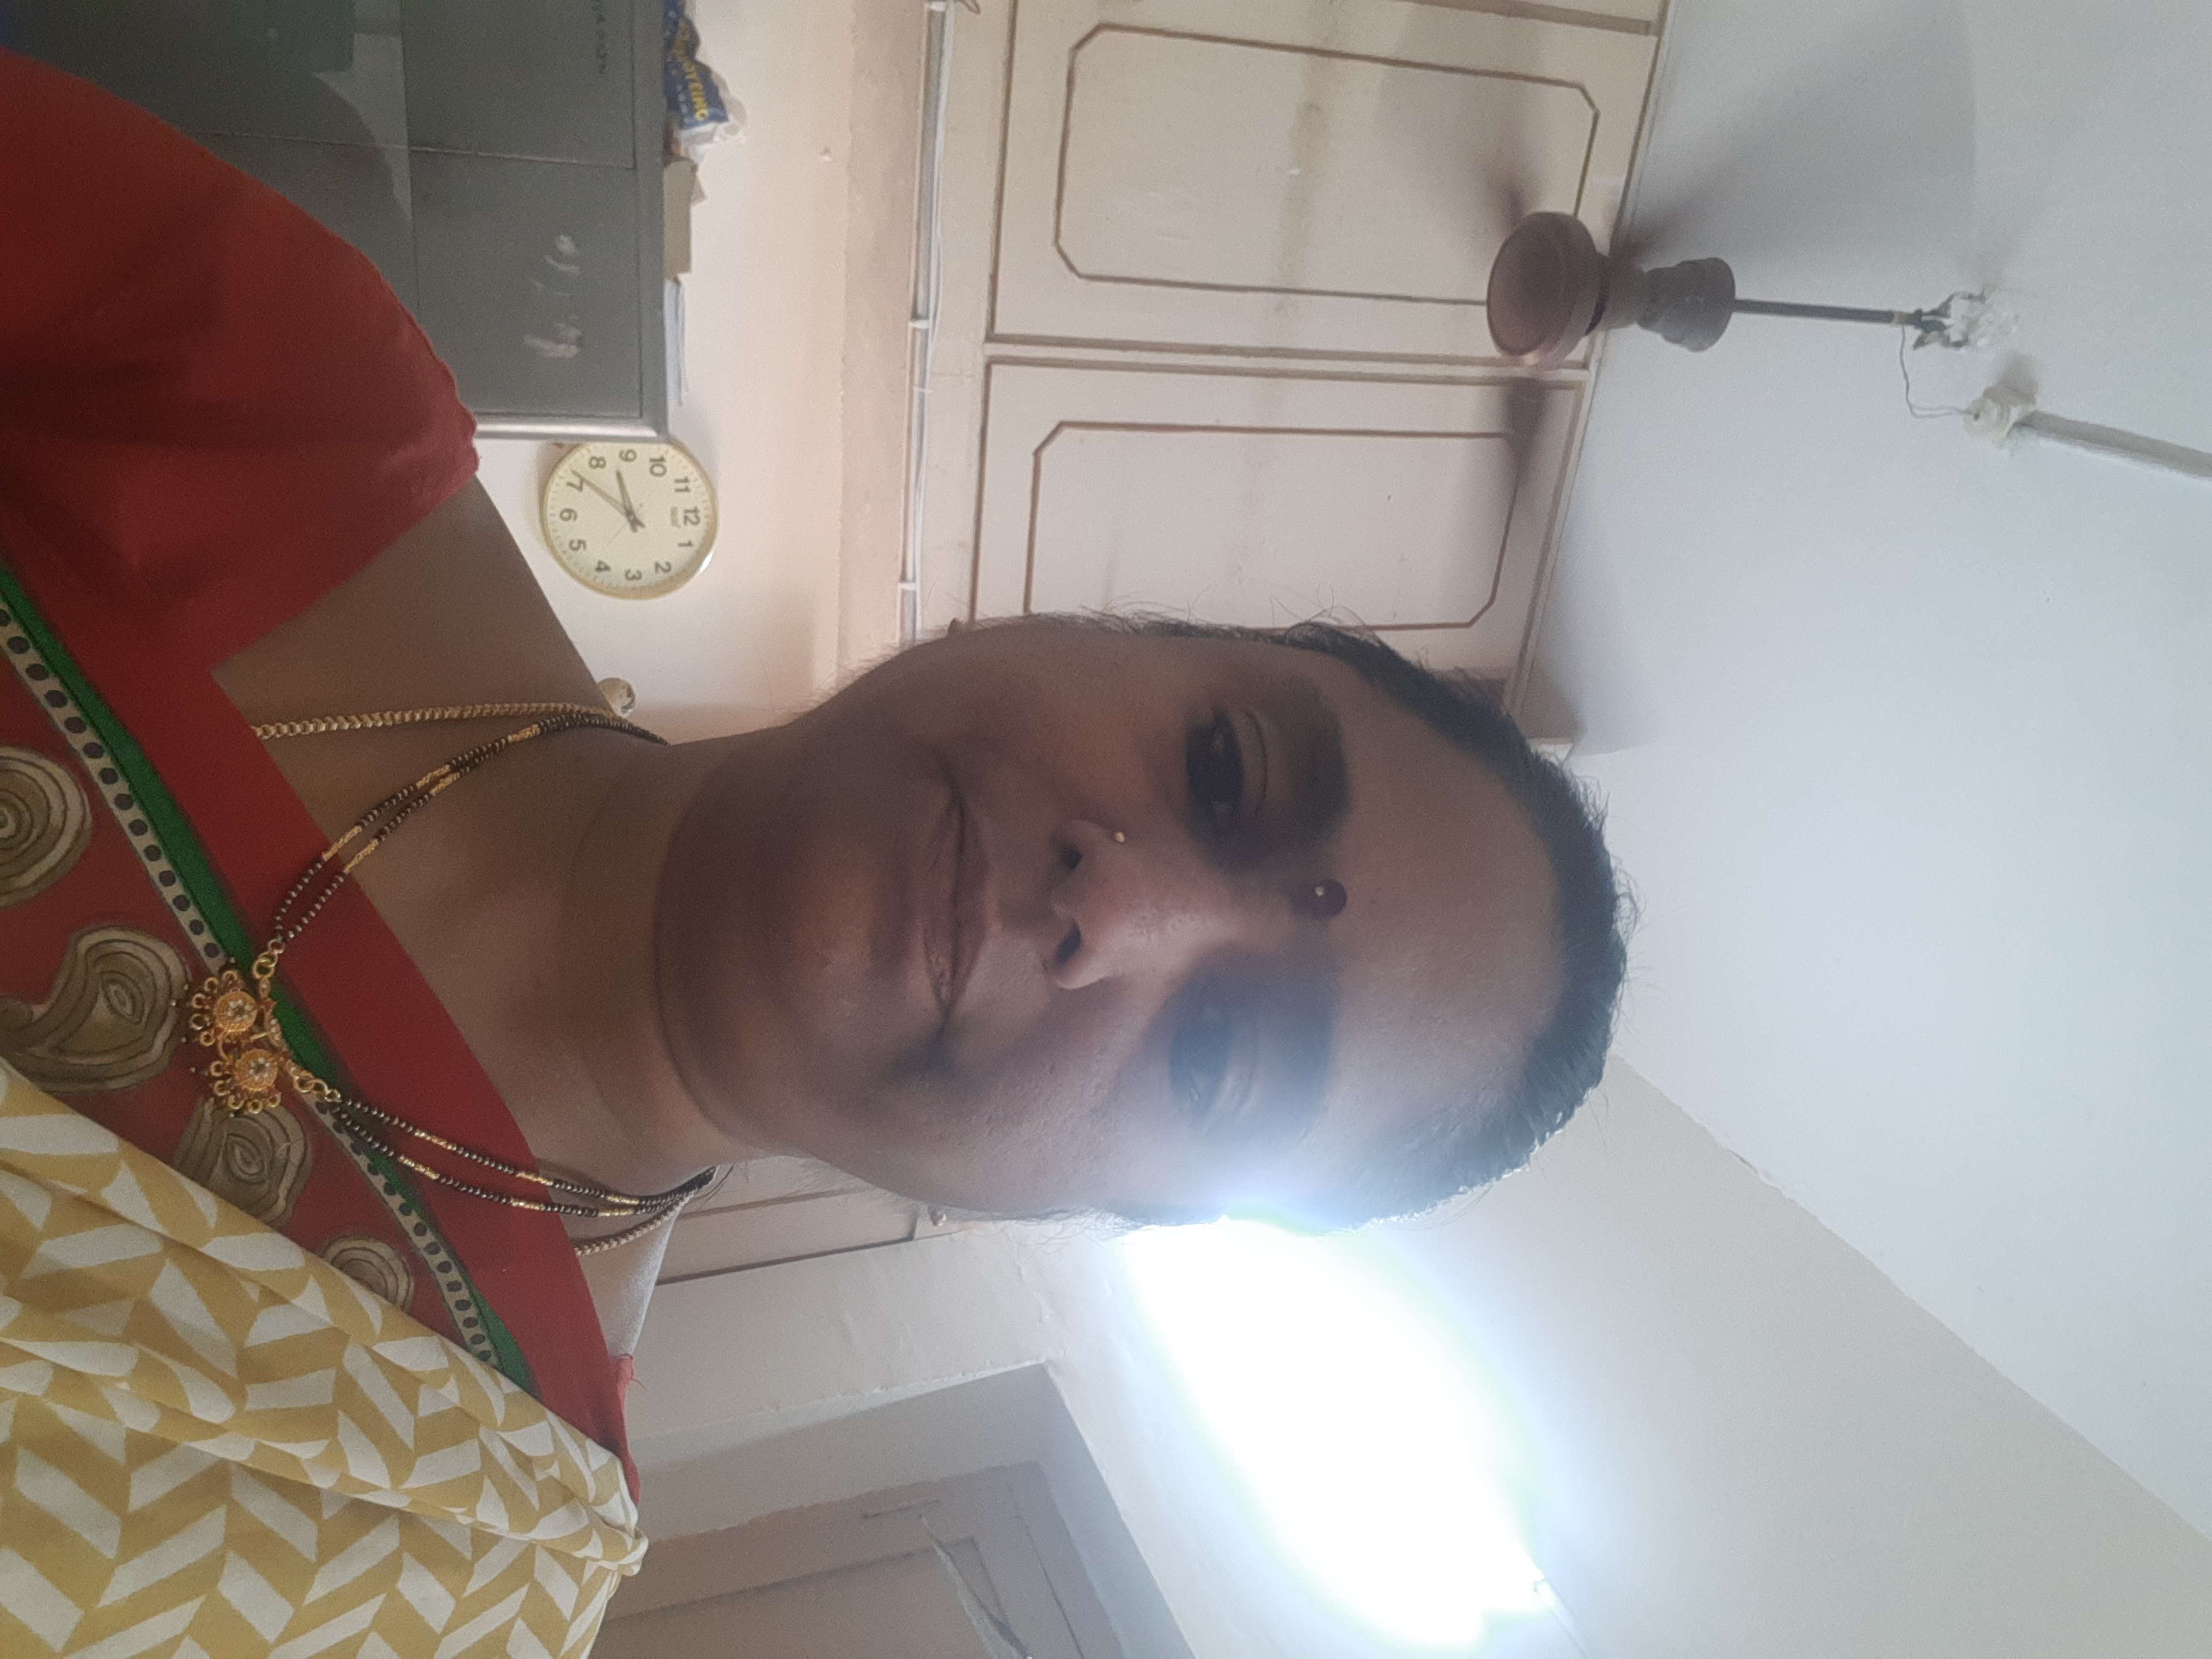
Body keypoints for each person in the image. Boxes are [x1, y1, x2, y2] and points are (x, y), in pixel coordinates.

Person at [0, 49, 1627, 1658]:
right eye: (1224, 768)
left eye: (1216, 1059)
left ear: (1097, 1206)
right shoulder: (273, 391)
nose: (1120, 907)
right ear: (1109, 624)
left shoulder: (444, 1561)